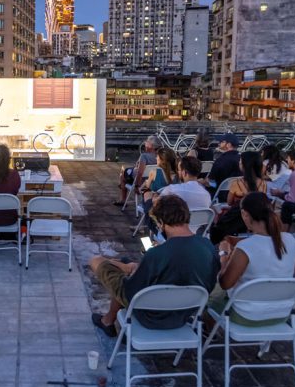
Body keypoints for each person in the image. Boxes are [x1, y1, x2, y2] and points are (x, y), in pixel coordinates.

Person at [89, 195, 218, 336]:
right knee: (127, 264)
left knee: (97, 261)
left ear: (161, 223)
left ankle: (107, 321)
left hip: (150, 316)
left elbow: (131, 293)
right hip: (185, 314)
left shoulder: (157, 254)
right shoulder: (208, 247)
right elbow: (209, 283)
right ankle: (108, 320)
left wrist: (130, 271)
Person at [210, 192, 295, 325]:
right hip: (281, 314)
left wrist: (224, 254)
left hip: (247, 315)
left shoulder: (245, 248)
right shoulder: (290, 239)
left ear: (245, 214)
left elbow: (225, 283)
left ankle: (208, 335)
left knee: (210, 297)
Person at [209, 151, 267, 244]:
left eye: (240, 161)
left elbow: (229, 202)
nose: (239, 163)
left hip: (236, 222)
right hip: (256, 220)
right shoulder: (263, 183)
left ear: (245, 166)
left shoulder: (236, 183)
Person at [118, 136, 158, 206]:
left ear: (151, 145)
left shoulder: (144, 156)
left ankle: (123, 199)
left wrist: (137, 186)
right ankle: (122, 184)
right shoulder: (160, 156)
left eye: (147, 142)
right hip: (153, 180)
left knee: (123, 172)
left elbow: (140, 172)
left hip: (141, 181)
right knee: (127, 172)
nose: (145, 143)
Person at [140, 147, 178, 213]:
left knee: (145, 191)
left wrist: (143, 185)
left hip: (156, 206)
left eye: (157, 156)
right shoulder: (178, 175)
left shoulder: (154, 172)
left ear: (162, 160)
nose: (156, 158)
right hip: (173, 206)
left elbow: (146, 189)